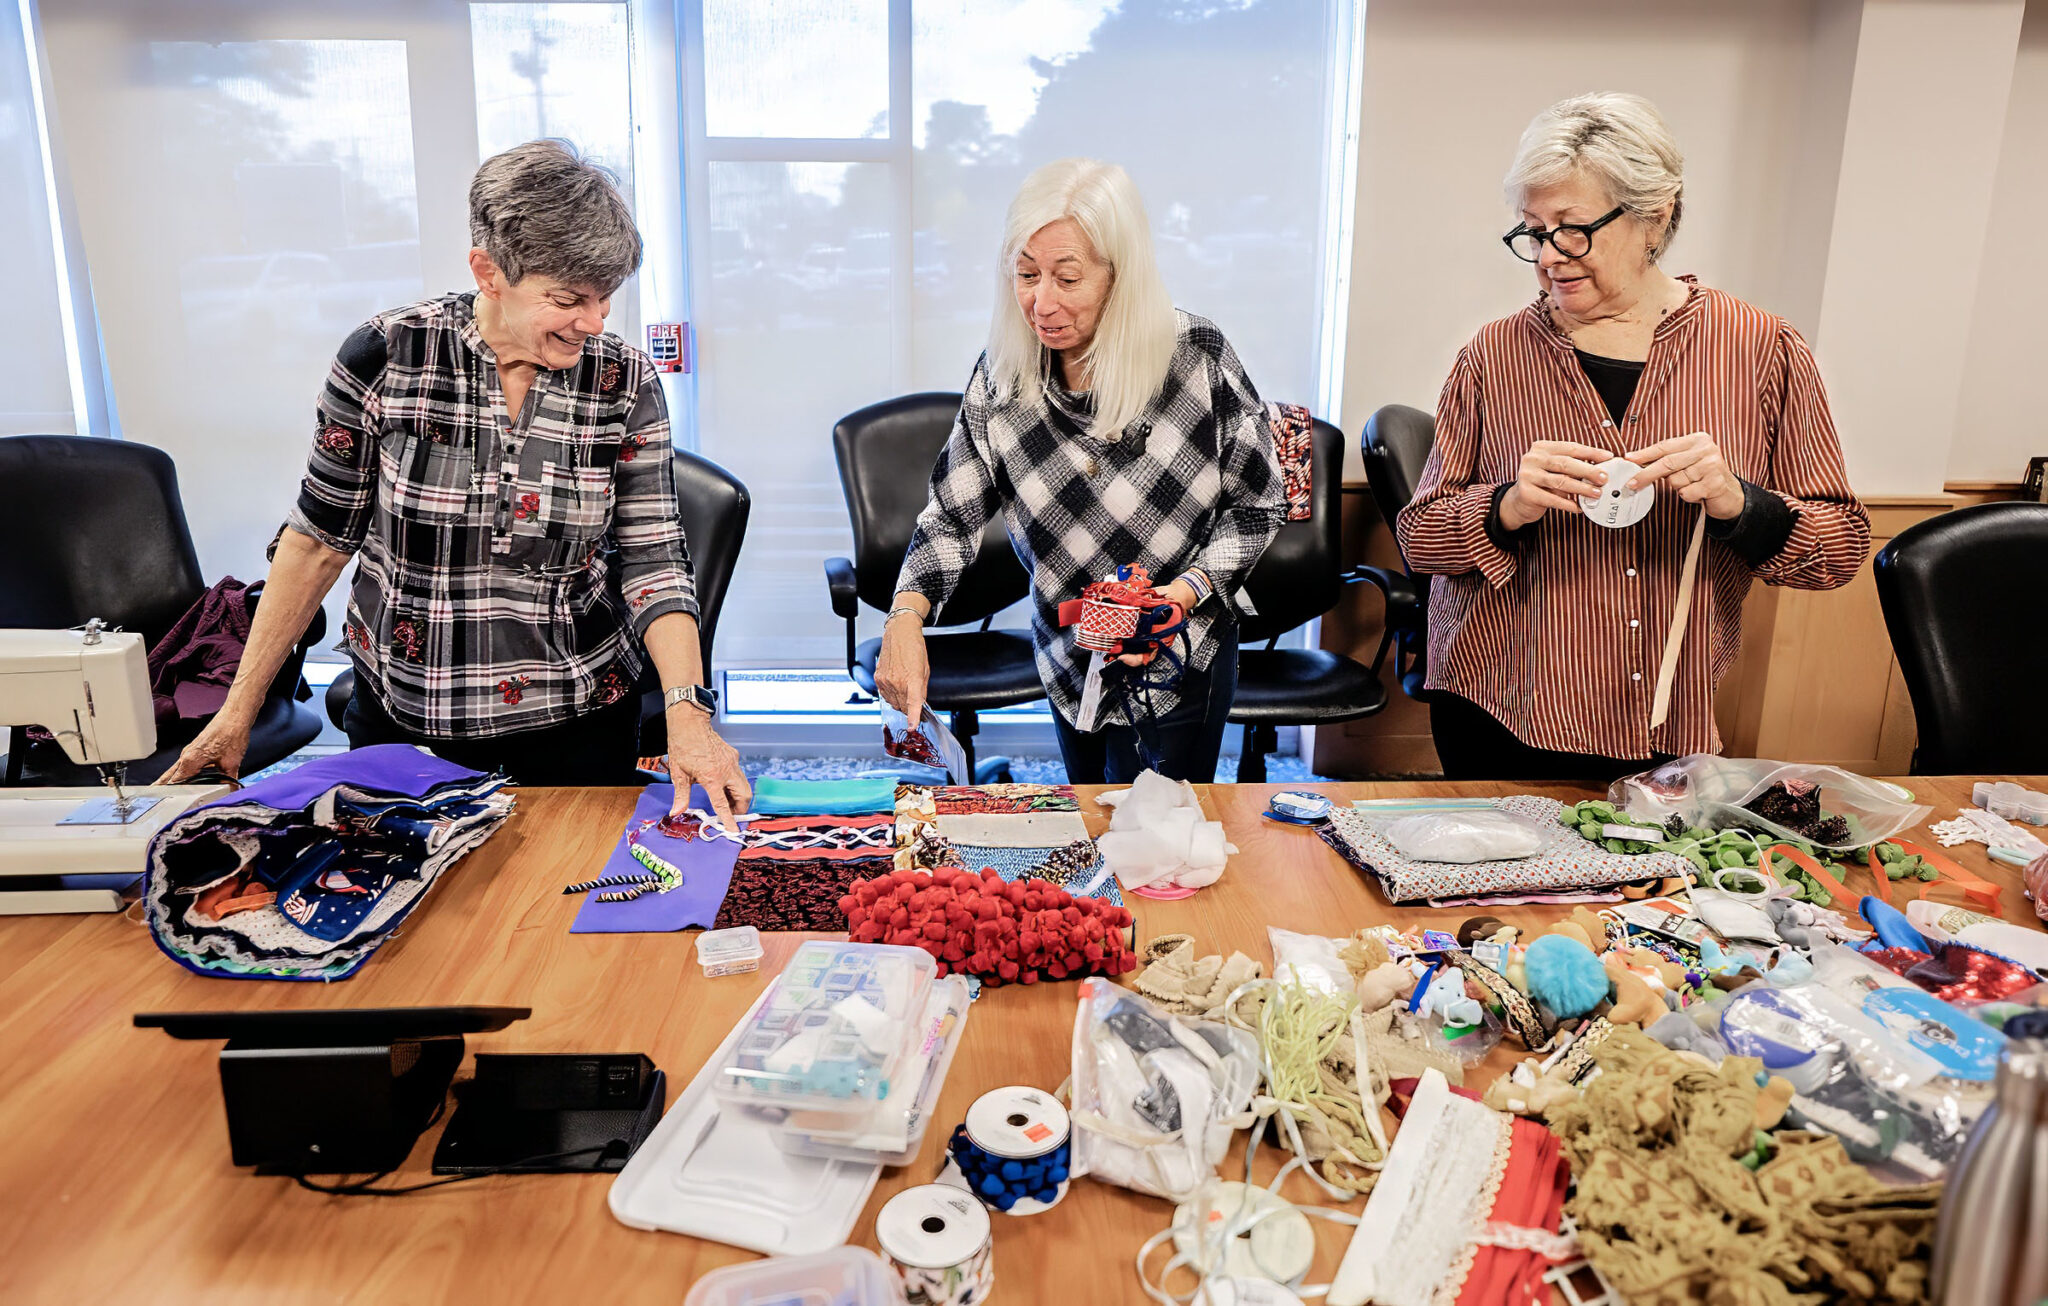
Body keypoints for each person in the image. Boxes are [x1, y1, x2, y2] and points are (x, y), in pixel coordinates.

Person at [163, 140, 750, 822]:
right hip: (408, 723)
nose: (594, 321)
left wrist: (685, 710)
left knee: (566, 911)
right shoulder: (386, 356)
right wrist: (238, 711)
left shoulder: (620, 380)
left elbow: (654, 557)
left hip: (576, 718)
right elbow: (319, 540)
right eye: (569, 298)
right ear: (489, 271)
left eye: (605, 298)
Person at [1396, 93, 1869, 782]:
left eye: (1573, 228)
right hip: (1496, 711)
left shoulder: (1762, 351)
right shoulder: (1493, 355)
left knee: (1645, 892)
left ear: (1656, 215)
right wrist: (1504, 507)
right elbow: (1419, 539)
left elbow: (1839, 550)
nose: (1550, 256)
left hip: (1663, 722)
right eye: (1533, 231)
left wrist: (1741, 504)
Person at [875, 158, 1286, 784]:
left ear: (1121, 277)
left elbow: (1258, 505)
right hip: (1068, 654)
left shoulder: (1197, 357)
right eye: (1026, 274)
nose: (1042, 302)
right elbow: (952, 515)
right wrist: (905, 617)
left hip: (1178, 650)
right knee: (1092, 820)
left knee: (1159, 850)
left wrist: (1186, 591)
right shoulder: (1004, 376)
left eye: (1068, 278)